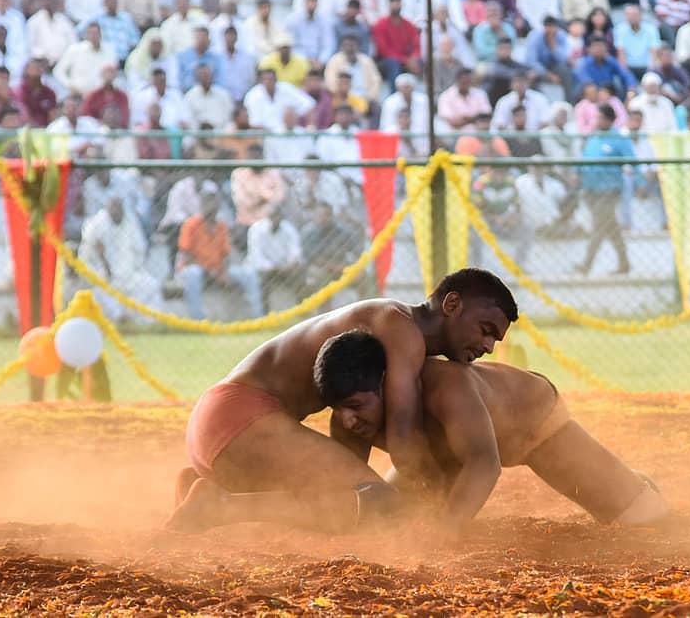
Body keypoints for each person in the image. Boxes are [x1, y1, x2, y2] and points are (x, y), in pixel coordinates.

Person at [166, 269, 518, 533]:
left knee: (352, 502)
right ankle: (218, 506)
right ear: (452, 304)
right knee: (382, 504)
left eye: (496, 339)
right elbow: (403, 437)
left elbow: (351, 451)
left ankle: (216, 488)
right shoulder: (401, 330)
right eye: (486, 329)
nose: (488, 346)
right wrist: (436, 510)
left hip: (220, 424)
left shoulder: (394, 323)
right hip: (242, 419)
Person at [317, 331, 669, 528]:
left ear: (386, 384)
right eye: (339, 409)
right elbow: (356, 494)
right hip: (451, 452)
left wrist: (444, 534)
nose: (348, 420)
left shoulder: (446, 386)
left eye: (356, 406)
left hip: (529, 425)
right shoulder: (350, 418)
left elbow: (485, 465)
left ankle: (632, 483)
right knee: (389, 517)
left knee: (642, 516)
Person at [179, 187, 262, 320]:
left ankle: (258, 317)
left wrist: (222, 272)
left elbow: (226, 255)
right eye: (207, 202)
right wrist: (208, 271)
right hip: (195, 269)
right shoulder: (190, 224)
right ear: (201, 205)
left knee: (249, 274)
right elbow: (186, 257)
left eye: (214, 202)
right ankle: (198, 321)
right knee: (193, 273)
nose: (211, 206)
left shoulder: (222, 226)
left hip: (218, 270)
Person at [79, 195, 165, 323]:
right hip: (104, 278)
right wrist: (103, 263)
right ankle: (120, 319)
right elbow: (86, 261)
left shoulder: (130, 221)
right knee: (100, 292)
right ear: (107, 210)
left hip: (130, 276)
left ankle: (150, 324)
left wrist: (133, 269)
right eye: (113, 209)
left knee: (151, 285)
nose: (117, 212)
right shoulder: (95, 226)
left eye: (119, 209)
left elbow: (140, 251)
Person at [576, 104, 632, 276]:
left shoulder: (619, 138)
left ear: (609, 119)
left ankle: (586, 263)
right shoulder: (594, 137)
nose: (597, 121)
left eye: (600, 118)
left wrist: (639, 182)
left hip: (609, 190)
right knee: (611, 227)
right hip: (591, 190)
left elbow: (631, 160)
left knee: (599, 226)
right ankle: (624, 263)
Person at [54, 22, 117, 96]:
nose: (94, 36)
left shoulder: (110, 51)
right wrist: (70, 85)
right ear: (86, 35)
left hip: (100, 97)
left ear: (101, 34)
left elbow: (112, 73)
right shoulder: (75, 49)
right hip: (78, 95)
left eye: (96, 33)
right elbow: (58, 71)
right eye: (91, 33)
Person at [372, 0, 420, 89]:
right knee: (393, 63)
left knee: (421, 62)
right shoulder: (380, 24)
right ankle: (395, 95)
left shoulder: (408, 25)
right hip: (386, 61)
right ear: (388, 4)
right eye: (393, 1)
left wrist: (414, 58)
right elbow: (384, 51)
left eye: (398, 1)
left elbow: (416, 45)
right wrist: (405, 60)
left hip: (407, 59)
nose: (395, 4)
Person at [573, 37, 637, 101]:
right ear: (589, 49)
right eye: (596, 46)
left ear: (606, 48)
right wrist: (601, 94)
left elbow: (626, 74)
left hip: (609, 94)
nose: (599, 49)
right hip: (591, 97)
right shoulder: (584, 63)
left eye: (601, 46)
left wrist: (631, 89)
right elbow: (587, 84)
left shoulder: (610, 60)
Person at [437, 67, 491, 133]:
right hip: (454, 136)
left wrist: (464, 118)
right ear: (457, 80)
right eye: (464, 82)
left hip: (478, 136)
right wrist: (474, 118)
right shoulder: (445, 96)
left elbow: (485, 117)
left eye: (469, 81)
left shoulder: (480, 94)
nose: (467, 85)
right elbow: (453, 123)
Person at [615, 5, 661, 81]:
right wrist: (626, 74)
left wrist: (650, 71)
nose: (631, 17)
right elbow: (621, 52)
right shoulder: (619, 29)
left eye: (634, 14)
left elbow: (654, 51)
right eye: (628, 14)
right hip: (629, 67)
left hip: (647, 67)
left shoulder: (651, 29)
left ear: (641, 16)